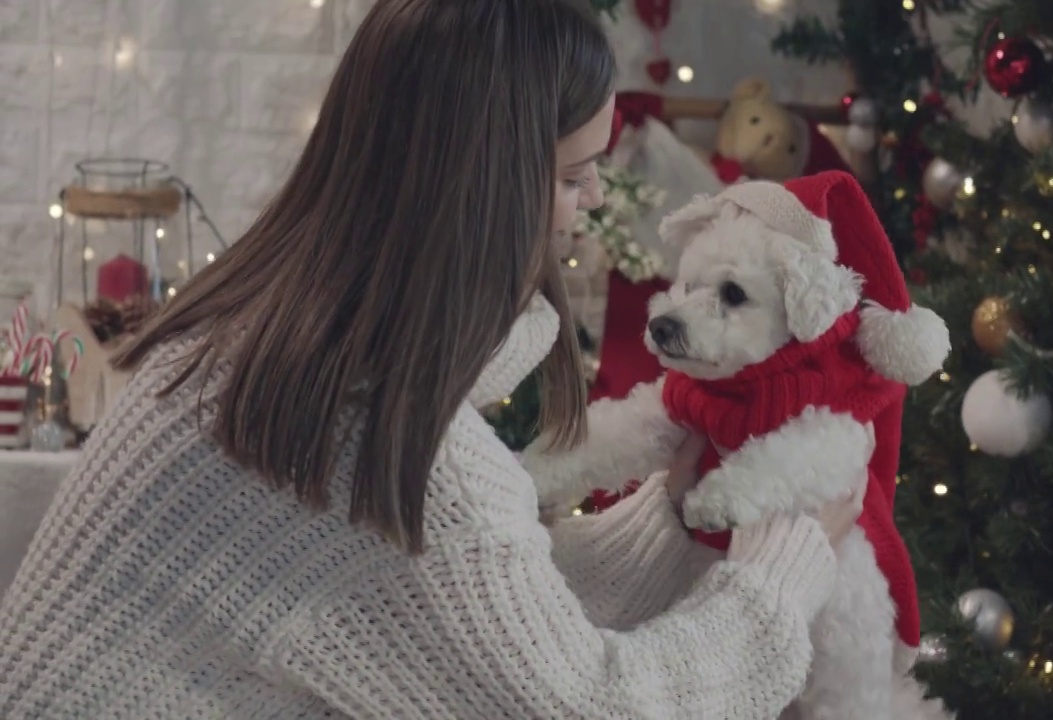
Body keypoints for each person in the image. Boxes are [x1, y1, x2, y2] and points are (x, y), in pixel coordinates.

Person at [0, 0, 862, 717]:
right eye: (571, 177)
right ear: (484, 188)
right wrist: (780, 571)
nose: (592, 201)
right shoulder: (384, 448)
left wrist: (666, 524)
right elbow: (591, 707)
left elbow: (460, 624)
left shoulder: (252, 347)